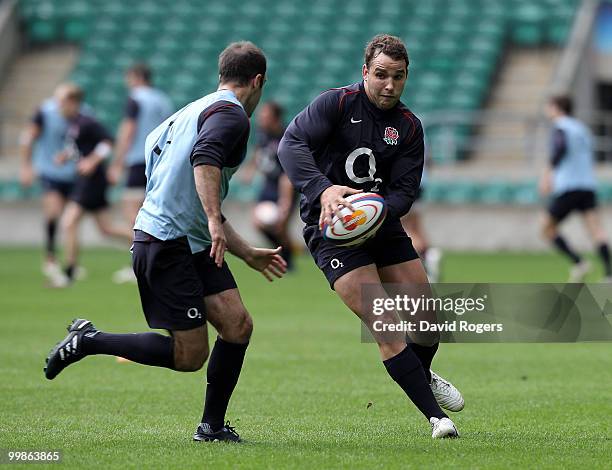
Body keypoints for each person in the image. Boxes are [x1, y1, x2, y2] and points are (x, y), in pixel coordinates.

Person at [44, 42, 286, 443]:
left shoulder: (180, 117)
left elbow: (177, 188)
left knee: (237, 325)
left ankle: (211, 427)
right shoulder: (233, 116)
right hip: (167, 243)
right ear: (258, 81)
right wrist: (212, 219)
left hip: (186, 241)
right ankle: (89, 340)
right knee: (189, 356)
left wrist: (246, 253)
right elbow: (204, 161)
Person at [278, 34, 463, 439]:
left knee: (427, 322)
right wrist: (323, 190)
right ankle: (437, 418)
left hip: (379, 226)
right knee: (384, 323)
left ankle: (420, 374)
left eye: (398, 77)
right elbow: (291, 145)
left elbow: (404, 191)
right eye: (381, 75)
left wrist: (374, 211)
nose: (389, 85)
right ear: (365, 72)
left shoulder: (409, 127)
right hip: (331, 232)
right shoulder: (337, 104)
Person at [51, 85, 133, 286]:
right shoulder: (73, 124)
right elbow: (78, 147)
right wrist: (66, 156)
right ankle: (147, 245)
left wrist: (92, 161)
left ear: (72, 102)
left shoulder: (86, 121)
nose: (58, 106)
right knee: (107, 228)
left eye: (61, 102)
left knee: (68, 222)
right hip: (88, 181)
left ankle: (69, 273)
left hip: (92, 180)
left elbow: (107, 142)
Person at [108, 64, 173, 283]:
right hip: (161, 162)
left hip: (138, 161)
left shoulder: (135, 98)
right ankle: (156, 262)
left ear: (136, 77)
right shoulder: (163, 99)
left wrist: (117, 162)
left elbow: (128, 130)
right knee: (155, 215)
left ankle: (140, 265)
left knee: (133, 215)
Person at [540, 95, 612, 282]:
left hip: (569, 186)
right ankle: (608, 274)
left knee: (547, 228)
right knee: (596, 229)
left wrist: (548, 175)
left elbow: (559, 150)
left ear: (556, 108)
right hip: (587, 185)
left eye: (549, 107)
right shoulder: (582, 128)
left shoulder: (561, 127)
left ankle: (578, 262)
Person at [19, 84, 81, 285]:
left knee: (70, 218)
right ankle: (50, 256)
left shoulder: (82, 114)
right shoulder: (44, 112)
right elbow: (28, 138)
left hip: (73, 173)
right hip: (49, 170)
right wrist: (26, 167)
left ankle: (71, 260)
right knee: (54, 212)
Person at [241, 101, 296, 269]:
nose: (261, 119)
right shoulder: (263, 133)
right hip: (268, 185)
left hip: (285, 187)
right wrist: (251, 169)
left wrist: (285, 202)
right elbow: (259, 150)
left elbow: (287, 176)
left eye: (265, 116)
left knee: (281, 228)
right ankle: (282, 254)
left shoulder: (286, 139)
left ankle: (288, 260)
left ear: (275, 119)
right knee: (258, 222)